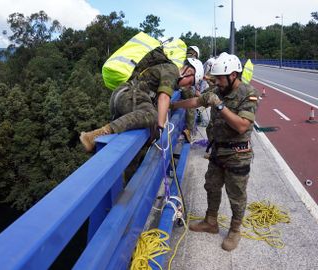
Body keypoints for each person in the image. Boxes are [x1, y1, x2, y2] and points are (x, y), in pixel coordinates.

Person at [170, 52, 259, 251]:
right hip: (218, 150)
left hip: (238, 153)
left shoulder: (248, 93)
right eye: (216, 78)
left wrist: (218, 105)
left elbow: (242, 126)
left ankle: (235, 230)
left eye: (220, 78)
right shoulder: (218, 89)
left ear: (233, 75)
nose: (217, 81)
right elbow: (196, 102)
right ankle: (211, 222)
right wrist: (173, 105)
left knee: (236, 194)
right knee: (211, 186)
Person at [79, 56, 204, 153]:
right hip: (128, 94)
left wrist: (181, 105)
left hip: (128, 97)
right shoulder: (172, 71)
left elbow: (169, 103)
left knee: (148, 130)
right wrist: (161, 126)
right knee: (152, 115)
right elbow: (164, 98)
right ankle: (94, 136)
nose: (188, 86)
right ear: (189, 71)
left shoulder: (173, 80)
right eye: (190, 82)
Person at [181, 45, 202, 142]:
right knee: (192, 104)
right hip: (185, 87)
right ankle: (189, 129)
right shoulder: (193, 62)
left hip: (180, 85)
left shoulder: (183, 57)